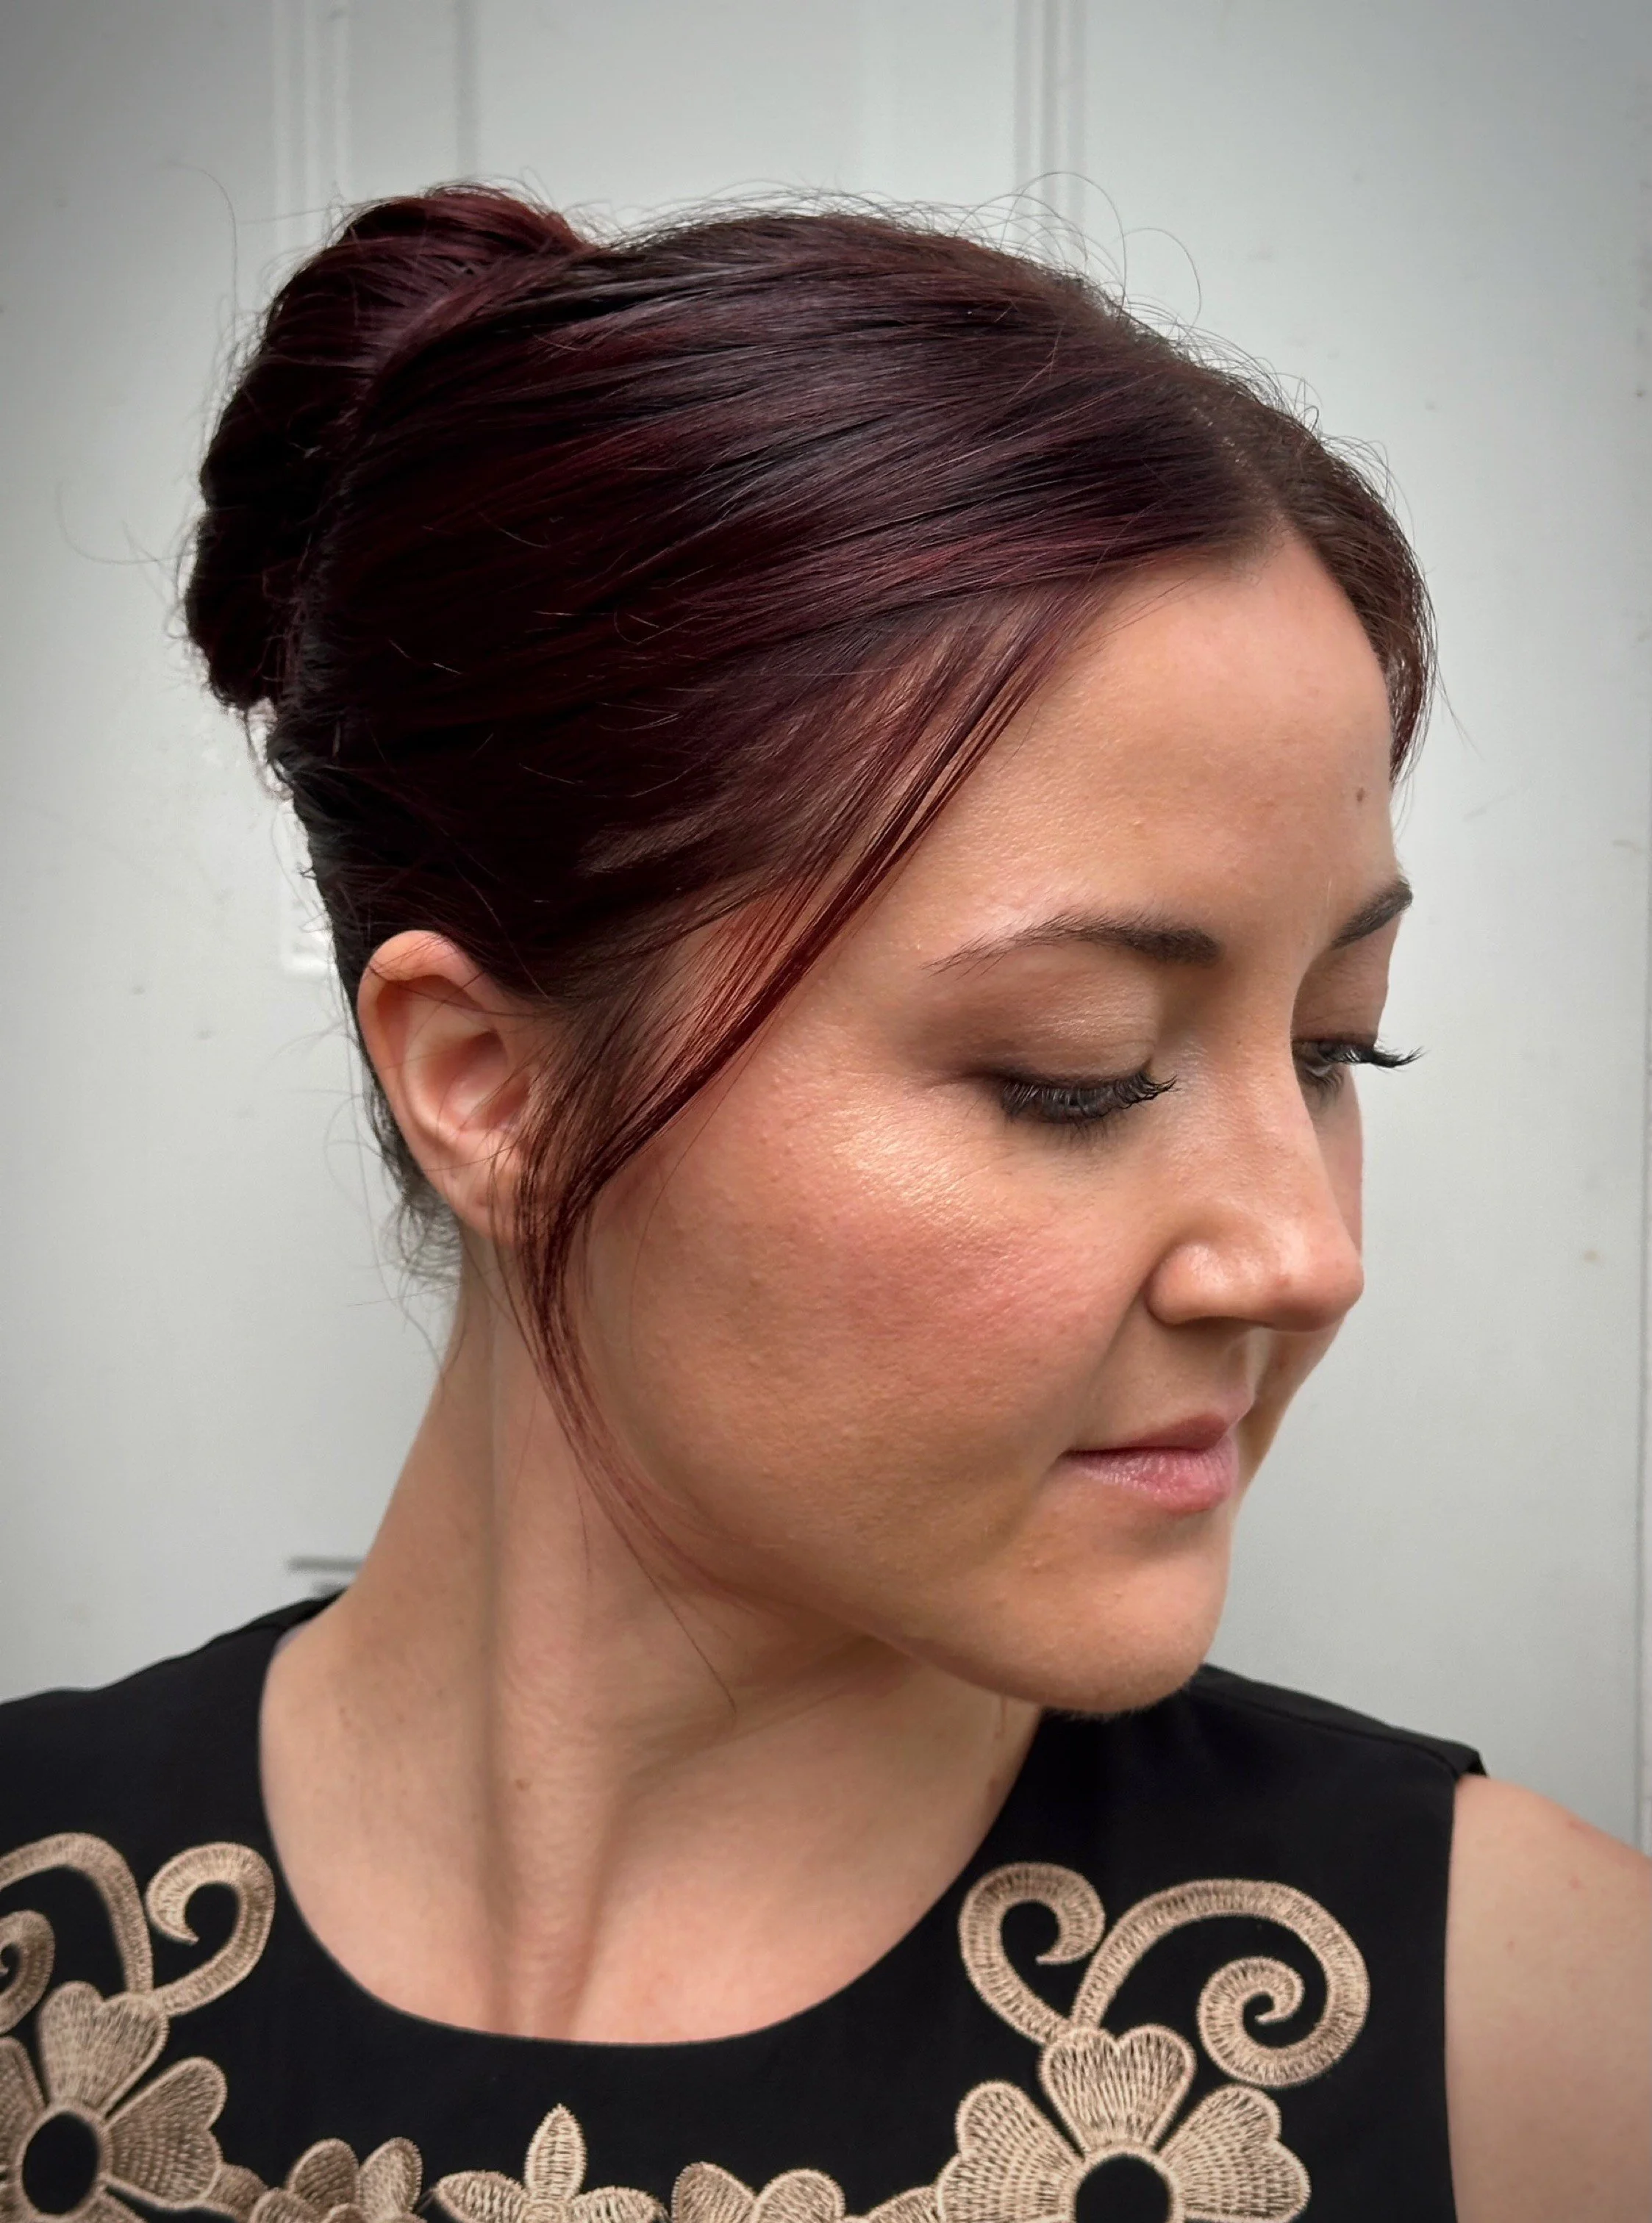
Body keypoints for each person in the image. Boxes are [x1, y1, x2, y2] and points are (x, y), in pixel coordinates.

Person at [0, 187, 1644, 2223]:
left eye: (1333, 1048)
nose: (1302, 1254)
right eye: (1076, 1071)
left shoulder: (1558, 2055)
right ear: (485, 1085)